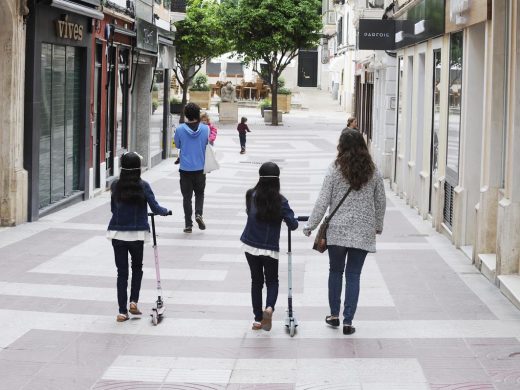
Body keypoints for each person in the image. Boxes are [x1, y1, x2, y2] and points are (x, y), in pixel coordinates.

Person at [303, 129, 386, 335]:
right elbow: (381, 201)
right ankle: (348, 321)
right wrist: (378, 224)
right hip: (363, 230)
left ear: (341, 146)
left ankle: (334, 315)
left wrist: (311, 225)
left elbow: (323, 200)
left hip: (338, 230)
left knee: (335, 271)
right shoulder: (373, 171)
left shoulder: (334, 169)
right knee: (354, 275)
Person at [107, 152, 171, 322]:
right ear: (138, 168)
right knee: (137, 268)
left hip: (117, 233)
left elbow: (113, 209)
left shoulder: (115, 186)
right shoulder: (144, 185)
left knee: (122, 273)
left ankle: (122, 312)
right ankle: (133, 301)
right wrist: (165, 212)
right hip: (137, 235)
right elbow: (155, 207)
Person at [240, 162, 299, 331]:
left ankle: (258, 320)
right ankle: (269, 308)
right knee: (272, 280)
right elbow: (293, 225)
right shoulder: (281, 201)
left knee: (256, 281)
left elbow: (248, 212)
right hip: (270, 248)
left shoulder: (251, 195)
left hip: (250, 244)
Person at [174, 103, 210, 233]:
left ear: (186, 115)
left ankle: (188, 225)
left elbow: (177, 145)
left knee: (187, 197)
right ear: (197, 114)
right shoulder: (206, 129)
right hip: (200, 168)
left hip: (185, 169)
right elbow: (208, 143)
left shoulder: (179, 129)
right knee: (200, 193)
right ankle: (198, 214)